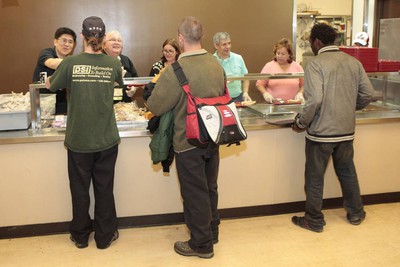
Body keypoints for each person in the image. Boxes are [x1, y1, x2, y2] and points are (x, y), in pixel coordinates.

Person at [146, 16, 224, 259]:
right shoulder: (215, 63)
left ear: (180, 39)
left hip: (187, 140)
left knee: (194, 192)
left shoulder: (176, 70)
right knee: (210, 187)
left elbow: (156, 105)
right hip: (213, 135)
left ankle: (201, 245)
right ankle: (211, 231)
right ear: (201, 36)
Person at [46, 16, 123, 249]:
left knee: (79, 191)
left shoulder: (69, 63)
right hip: (106, 139)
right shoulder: (113, 63)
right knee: (104, 189)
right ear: (103, 38)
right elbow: (119, 83)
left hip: (78, 140)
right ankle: (104, 237)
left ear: (82, 37)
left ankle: (80, 236)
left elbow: (52, 85)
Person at [291, 23, 374, 233]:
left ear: (317, 41)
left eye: (310, 41)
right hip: (346, 131)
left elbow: (314, 100)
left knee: (314, 177)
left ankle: (314, 220)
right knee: (347, 172)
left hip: (321, 134)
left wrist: (301, 122)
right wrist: (349, 108)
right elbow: (367, 94)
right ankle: (356, 213)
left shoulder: (315, 64)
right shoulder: (353, 62)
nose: (311, 45)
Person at [32, 27, 77, 114]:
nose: (67, 44)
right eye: (64, 40)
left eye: (70, 42)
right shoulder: (46, 53)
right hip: (42, 101)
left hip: (61, 102)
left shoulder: (71, 60)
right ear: (55, 41)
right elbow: (52, 63)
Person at [256, 38, 304, 103]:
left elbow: (304, 84)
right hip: (273, 104)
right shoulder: (269, 66)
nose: (280, 56)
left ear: (289, 54)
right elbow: (259, 84)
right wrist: (265, 94)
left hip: (293, 104)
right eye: (278, 53)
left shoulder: (297, 66)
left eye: (283, 54)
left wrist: (300, 93)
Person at [212, 32, 251, 102]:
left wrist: (245, 92)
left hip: (238, 98)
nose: (228, 47)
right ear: (216, 46)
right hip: (220, 99)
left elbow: (246, 78)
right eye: (224, 44)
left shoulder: (238, 58)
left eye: (229, 43)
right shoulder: (211, 60)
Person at [102, 30, 138, 102]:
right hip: (105, 106)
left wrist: (133, 89)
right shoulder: (99, 61)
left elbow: (136, 79)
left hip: (124, 107)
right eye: (112, 40)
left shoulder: (126, 60)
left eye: (119, 40)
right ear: (104, 45)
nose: (117, 42)